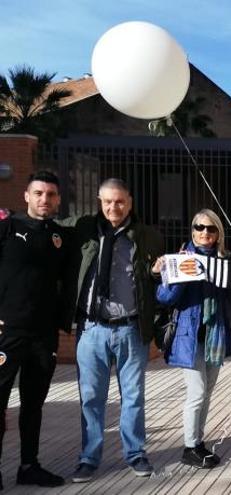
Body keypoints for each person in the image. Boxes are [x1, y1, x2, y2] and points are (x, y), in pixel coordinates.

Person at [65, 178, 164, 483]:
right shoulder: (82, 229)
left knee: (133, 397)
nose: (113, 207)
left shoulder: (148, 236)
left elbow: (155, 280)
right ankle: (89, 458)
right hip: (91, 329)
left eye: (119, 201)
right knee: (91, 397)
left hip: (130, 330)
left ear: (130, 202)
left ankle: (135, 454)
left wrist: (156, 272)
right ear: (99, 201)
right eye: (107, 201)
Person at [0, 171, 76, 489]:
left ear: (58, 200)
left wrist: (63, 322)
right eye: (39, 193)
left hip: (43, 336)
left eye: (51, 194)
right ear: (27, 196)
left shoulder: (60, 237)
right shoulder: (6, 228)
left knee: (33, 405)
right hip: (7, 332)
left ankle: (29, 466)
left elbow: (66, 282)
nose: (45, 199)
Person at [154, 209, 231, 469]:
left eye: (211, 229)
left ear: (218, 233)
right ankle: (190, 447)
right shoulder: (181, 258)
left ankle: (199, 443)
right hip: (189, 337)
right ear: (192, 230)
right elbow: (164, 298)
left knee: (208, 392)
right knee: (197, 392)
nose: (205, 233)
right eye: (200, 227)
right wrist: (179, 274)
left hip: (214, 335)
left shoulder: (223, 260)